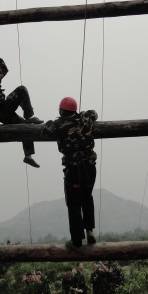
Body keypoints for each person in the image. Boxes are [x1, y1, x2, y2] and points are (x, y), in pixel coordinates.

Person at [0, 38, 43, 168]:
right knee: (22, 90)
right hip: (2, 109)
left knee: (24, 127)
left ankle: (28, 156)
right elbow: (3, 69)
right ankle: (30, 116)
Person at [42, 97, 98, 251]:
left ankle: (77, 241)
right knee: (87, 197)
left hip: (73, 170)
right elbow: (94, 113)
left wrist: (50, 122)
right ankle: (89, 230)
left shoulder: (58, 124)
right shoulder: (86, 119)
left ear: (61, 111)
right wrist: (83, 114)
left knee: (73, 204)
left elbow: (45, 132)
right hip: (90, 168)